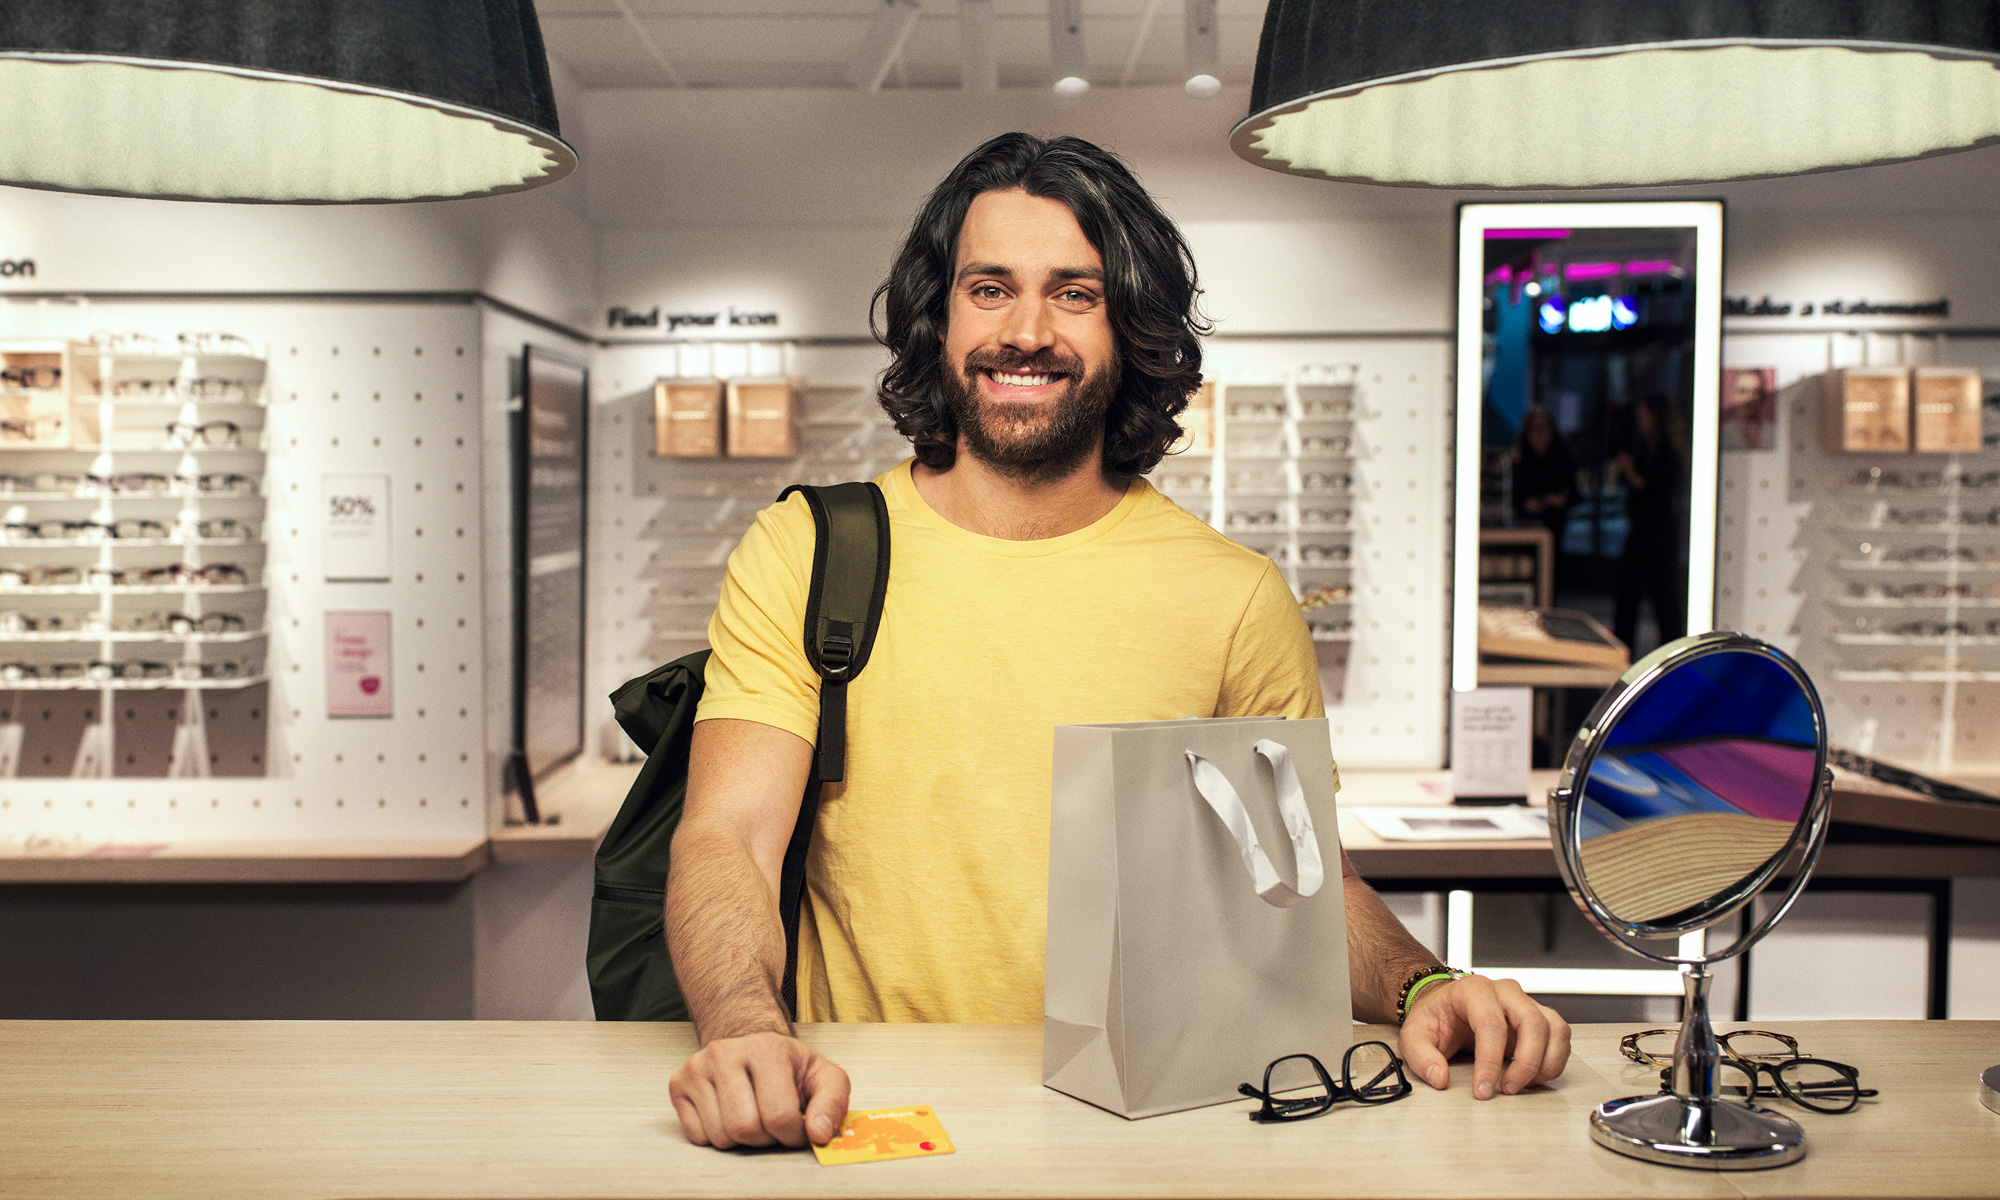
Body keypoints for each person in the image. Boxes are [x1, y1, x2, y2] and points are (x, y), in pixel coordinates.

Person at [664, 133, 1571, 1152]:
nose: (1026, 330)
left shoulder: (1232, 599)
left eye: (1074, 293)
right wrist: (744, 1030)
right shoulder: (808, 552)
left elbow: (1309, 891)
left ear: (1128, 326)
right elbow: (728, 836)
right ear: (939, 316)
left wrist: (1428, 984)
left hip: (1136, 1131)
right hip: (867, 1116)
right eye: (989, 288)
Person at [1613, 393, 1687, 651]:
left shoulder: (1667, 451)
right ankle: (1622, 648)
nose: (1640, 419)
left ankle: (1672, 652)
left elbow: (1656, 490)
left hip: (1660, 532)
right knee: (1627, 592)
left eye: (1644, 414)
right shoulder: (1646, 447)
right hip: (1642, 529)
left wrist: (1630, 471)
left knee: (1664, 597)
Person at [1509, 404, 1578, 546]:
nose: (1540, 434)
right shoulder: (1519, 462)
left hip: (1557, 527)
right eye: (1535, 429)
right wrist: (1525, 504)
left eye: (1544, 428)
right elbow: (1511, 496)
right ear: (1527, 433)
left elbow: (1575, 494)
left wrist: (1559, 499)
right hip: (1525, 529)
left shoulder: (1563, 458)